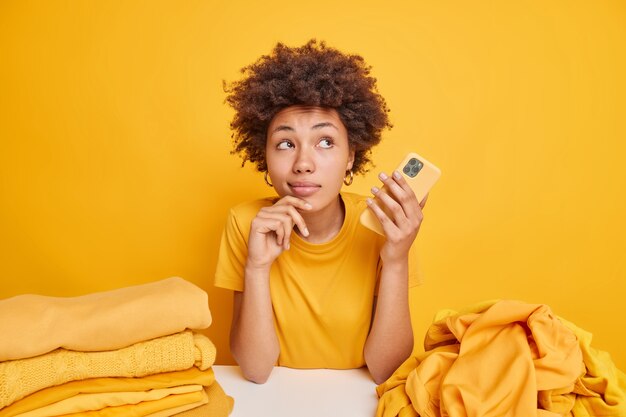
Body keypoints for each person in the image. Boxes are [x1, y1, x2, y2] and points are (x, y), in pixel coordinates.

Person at [214, 40, 428, 385]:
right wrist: (257, 267)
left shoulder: (385, 225)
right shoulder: (246, 223)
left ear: (350, 158)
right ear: (264, 156)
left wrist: (396, 259)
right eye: (285, 143)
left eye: (325, 141)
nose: (302, 164)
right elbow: (255, 370)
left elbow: (386, 371)